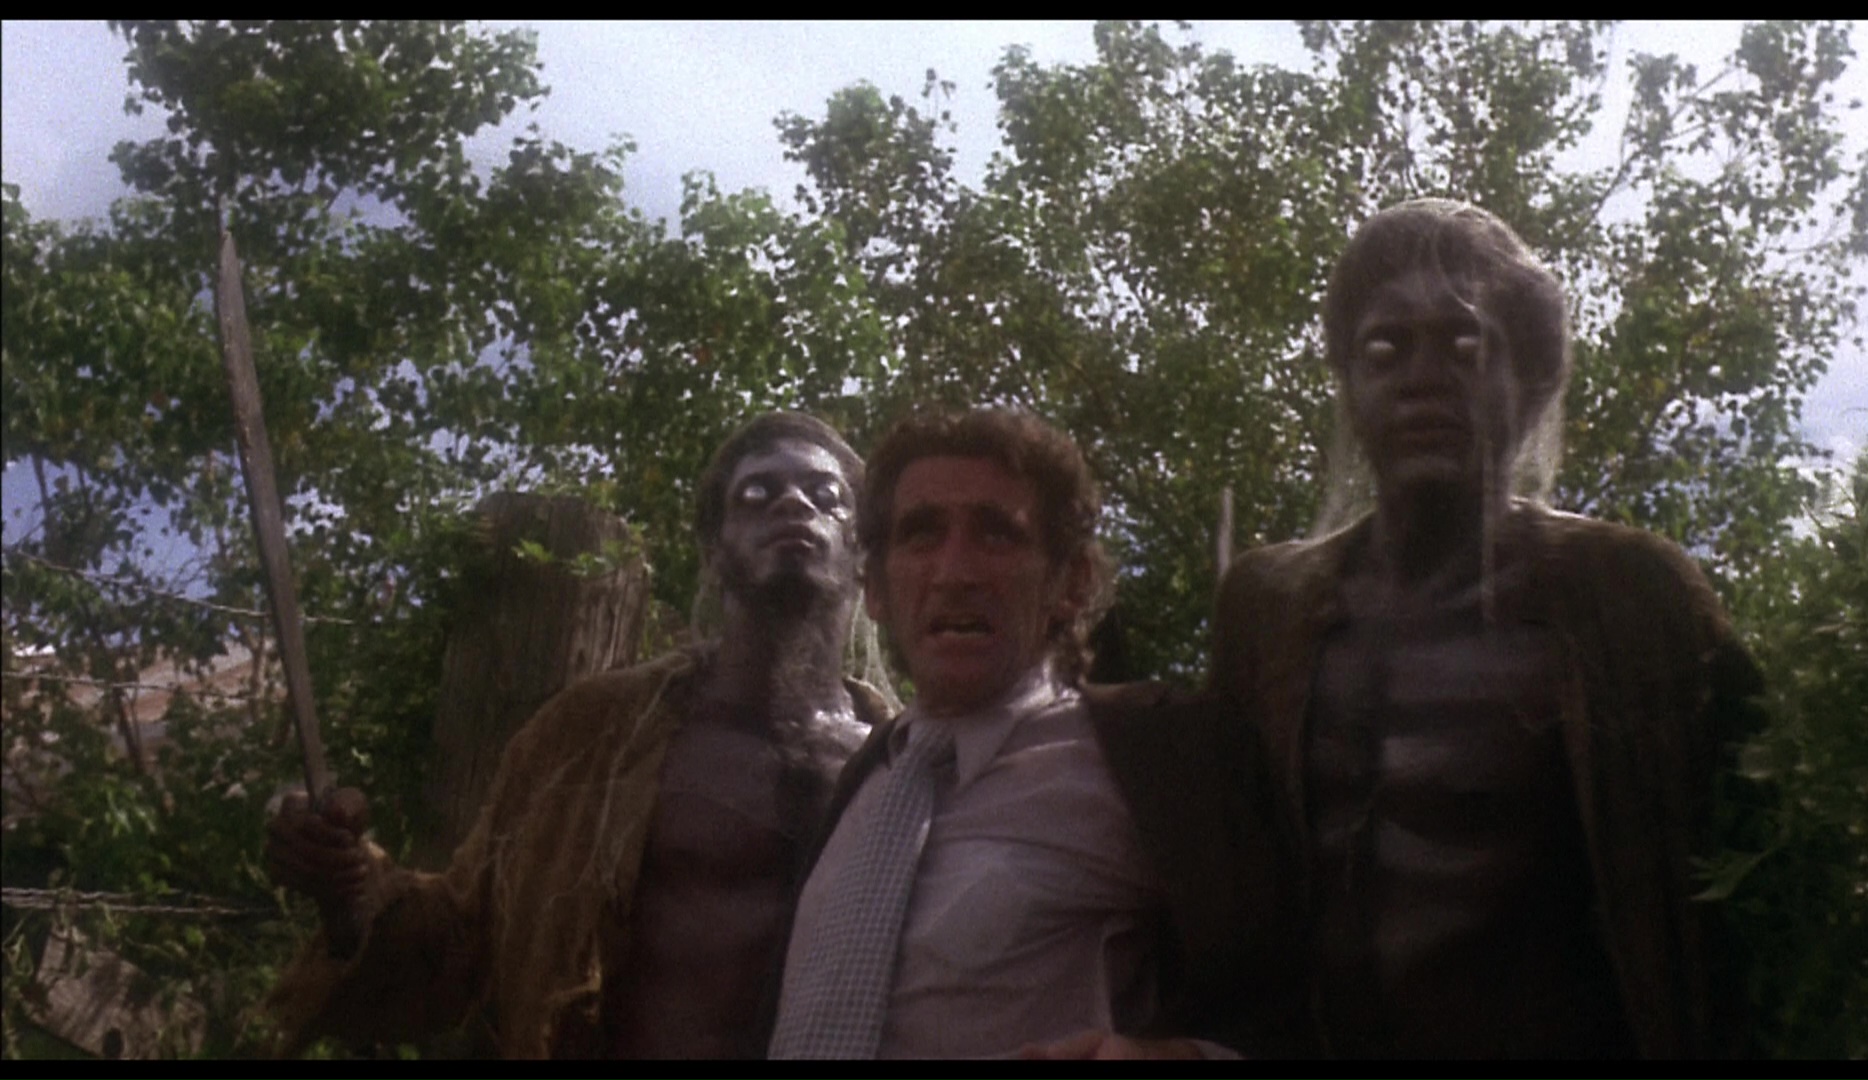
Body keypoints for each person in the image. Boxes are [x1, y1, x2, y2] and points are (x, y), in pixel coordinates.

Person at [1211, 199, 1762, 1057]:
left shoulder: (1628, 595)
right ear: (1349, 383)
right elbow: (1217, 880)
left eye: (1466, 345)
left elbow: (1757, 872)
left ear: (1531, 380)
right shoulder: (1265, 609)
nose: (1423, 378)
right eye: (1384, 349)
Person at [265, 412, 891, 1058]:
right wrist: (349, 888)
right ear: (713, 548)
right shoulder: (594, 736)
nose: (793, 504)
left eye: (826, 496)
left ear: (863, 554)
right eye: (757, 493)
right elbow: (457, 940)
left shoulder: (911, 765)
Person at [771, 407, 1260, 1059]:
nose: (955, 572)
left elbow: (1303, 1004)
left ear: (1071, 582)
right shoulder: (864, 778)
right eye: (921, 534)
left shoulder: (1151, 760)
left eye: (997, 534)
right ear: (877, 591)